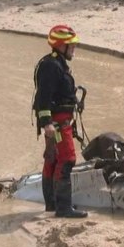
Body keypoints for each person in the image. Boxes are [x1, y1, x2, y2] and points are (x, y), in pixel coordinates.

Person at [32, 24, 88, 218]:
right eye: (70, 45)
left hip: (58, 122)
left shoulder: (56, 64)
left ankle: (52, 205)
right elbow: (43, 98)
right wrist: (47, 123)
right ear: (60, 46)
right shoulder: (51, 66)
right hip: (57, 124)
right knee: (67, 159)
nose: (74, 48)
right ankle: (63, 208)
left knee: (52, 159)